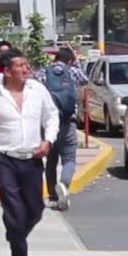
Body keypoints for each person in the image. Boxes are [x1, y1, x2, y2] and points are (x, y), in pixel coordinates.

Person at [0, 49, 60, 256]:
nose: (25, 69)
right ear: (7, 71)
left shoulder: (37, 90)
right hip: (4, 159)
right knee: (14, 208)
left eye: (26, 65)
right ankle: (18, 255)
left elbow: (51, 116)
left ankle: (14, 233)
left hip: (32, 159)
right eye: (20, 65)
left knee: (35, 209)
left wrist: (48, 141)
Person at [44, 46, 88, 211]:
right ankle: (63, 184)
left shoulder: (44, 72)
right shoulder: (73, 71)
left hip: (49, 123)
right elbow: (85, 80)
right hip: (68, 121)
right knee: (69, 158)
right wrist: (76, 64)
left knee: (51, 160)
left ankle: (52, 197)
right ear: (70, 60)